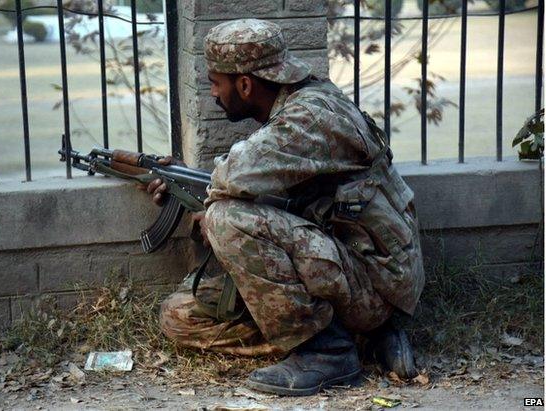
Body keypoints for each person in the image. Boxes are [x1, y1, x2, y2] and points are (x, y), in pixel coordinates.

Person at [145, 18, 425, 396]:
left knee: (225, 219)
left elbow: (230, 179)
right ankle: (359, 338)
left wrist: (192, 188)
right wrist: (186, 185)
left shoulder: (308, 119)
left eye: (215, 82)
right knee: (178, 317)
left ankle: (327, 353)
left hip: (372, 284)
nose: (212, 93)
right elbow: (265, 190)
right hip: (348, 268)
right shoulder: (301, 103)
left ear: (245, 84)